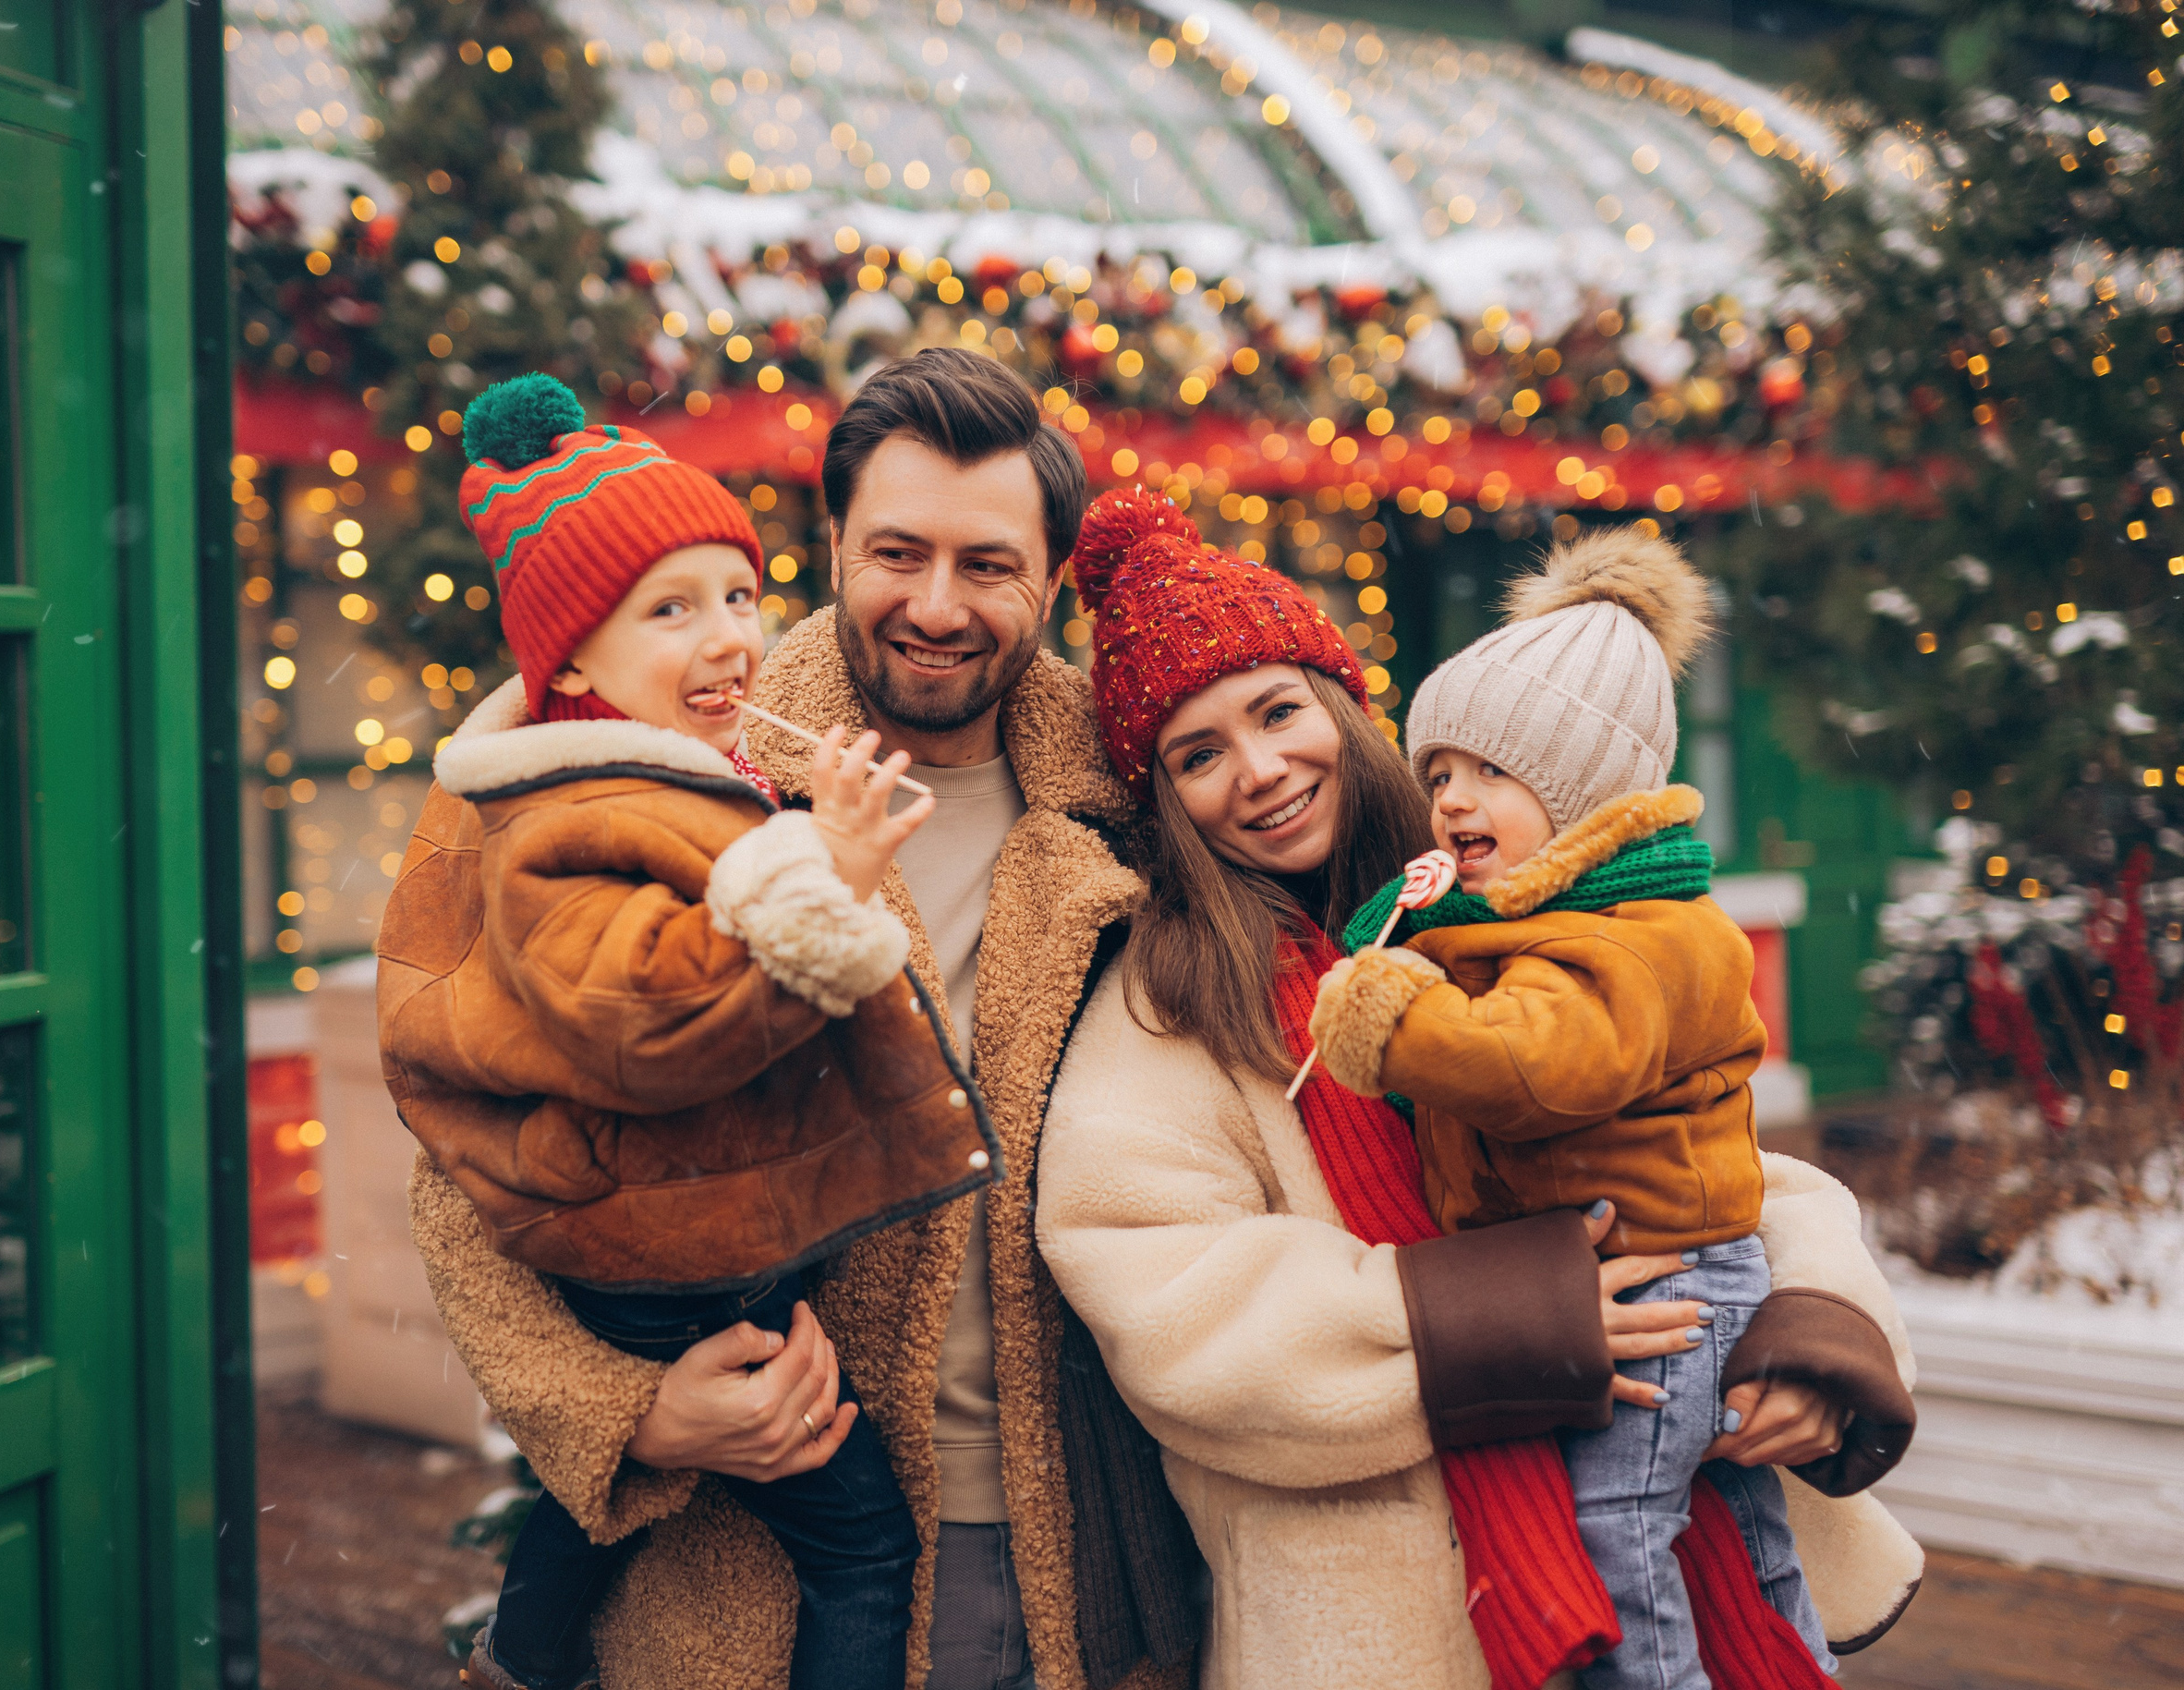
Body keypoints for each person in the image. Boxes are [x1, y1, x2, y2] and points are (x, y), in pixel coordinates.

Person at [401, 349, 1204, 1690]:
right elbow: (464, 1162)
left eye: (989, 565)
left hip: (1088, 1558)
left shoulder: (1145, 789)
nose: (936, 606)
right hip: (740, 1568)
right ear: (830, 544)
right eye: (897, 552)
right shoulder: (655, 762)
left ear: (1053, 580)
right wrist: (634, 1414)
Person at [1037, 488, 1926, 1689]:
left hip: (1680, 1532)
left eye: (1278, 711)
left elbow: (1722, 1158)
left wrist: (1807, 1339)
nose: (1258, 769)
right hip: (1386, 1628)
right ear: (1164, 799)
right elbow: (1166, 1303)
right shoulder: (1165, 1002)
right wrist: (1512, 1321)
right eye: (1198, 753)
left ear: (1346, 709)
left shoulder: (1534, 895)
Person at [1306, 528, 1829, 1687]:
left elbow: (1546, 1066)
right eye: (1436, 774)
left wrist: (1397, 1017)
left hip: (1666, 1285)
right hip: (1656, 1270)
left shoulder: (1639, 937)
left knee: (1618, 1536)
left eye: (1490, 773)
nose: (1450, 801)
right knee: (1743, 1534)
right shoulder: (1545, 922)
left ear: (1588, 786)